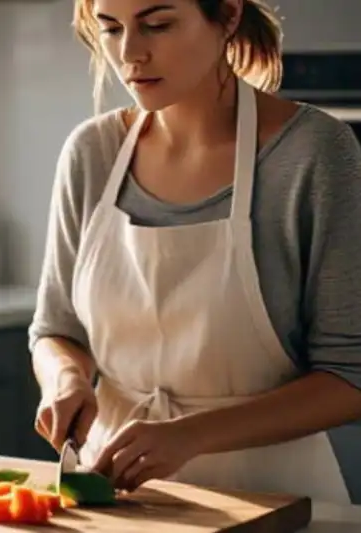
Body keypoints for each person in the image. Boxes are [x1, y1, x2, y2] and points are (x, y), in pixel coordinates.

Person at [29, 0, 361, 505]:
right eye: (111, 28)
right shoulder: (90, 153)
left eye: (157, 25)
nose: (129, 53)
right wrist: (66, 378)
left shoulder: (314, 154)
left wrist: (191, 434)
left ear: (227, 15)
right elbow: (55, 330)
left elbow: (350, 375)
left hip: (273, 499)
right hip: (115, 496)